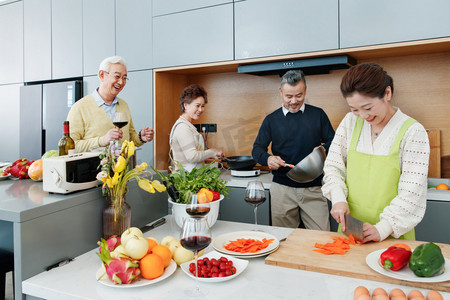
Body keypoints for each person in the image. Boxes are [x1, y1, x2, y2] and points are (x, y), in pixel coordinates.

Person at [322, 63, 430, 243]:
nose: (363, 116)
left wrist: (383, 228)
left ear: (387, 94)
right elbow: (333, 166)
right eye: (354, 109)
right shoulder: (350, 122)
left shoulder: (413, 132)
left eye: (368, 107)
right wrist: (338, 199)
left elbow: (412, 192)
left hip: (392, 235)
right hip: (351, 230)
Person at [252, 70, 335, 230]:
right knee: (284, 240)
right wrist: (268, 159)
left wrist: (323, 148)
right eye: (289, 96)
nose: (294, 101)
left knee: (322, 238)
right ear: (281, 92)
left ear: (305, 91)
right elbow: (257, 149)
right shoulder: (271, 120)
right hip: (282, 190)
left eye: (299, 95)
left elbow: (334, 141)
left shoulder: (318, 115)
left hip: (314, 188)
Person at [67, 56, 153, 152]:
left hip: (123, 166)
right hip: (94, 167)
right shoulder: (79, 108)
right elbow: (71, 146)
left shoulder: (123, 105)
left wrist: (140, 137)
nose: (121, 82)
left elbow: (129, 139)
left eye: (124, 78)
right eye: (117, 76)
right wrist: (102, 140)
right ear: (102, 75)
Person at [169, 84, 223, 172]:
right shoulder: (182, 127)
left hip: (192, 177)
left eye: (203, 106)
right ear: (185, 105)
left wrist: (205, 158)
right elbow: (192, 157)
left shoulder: (188, 126)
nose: (200, 110)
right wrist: (213, 151)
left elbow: (188, 156)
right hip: (186, 179)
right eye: (197, 105)